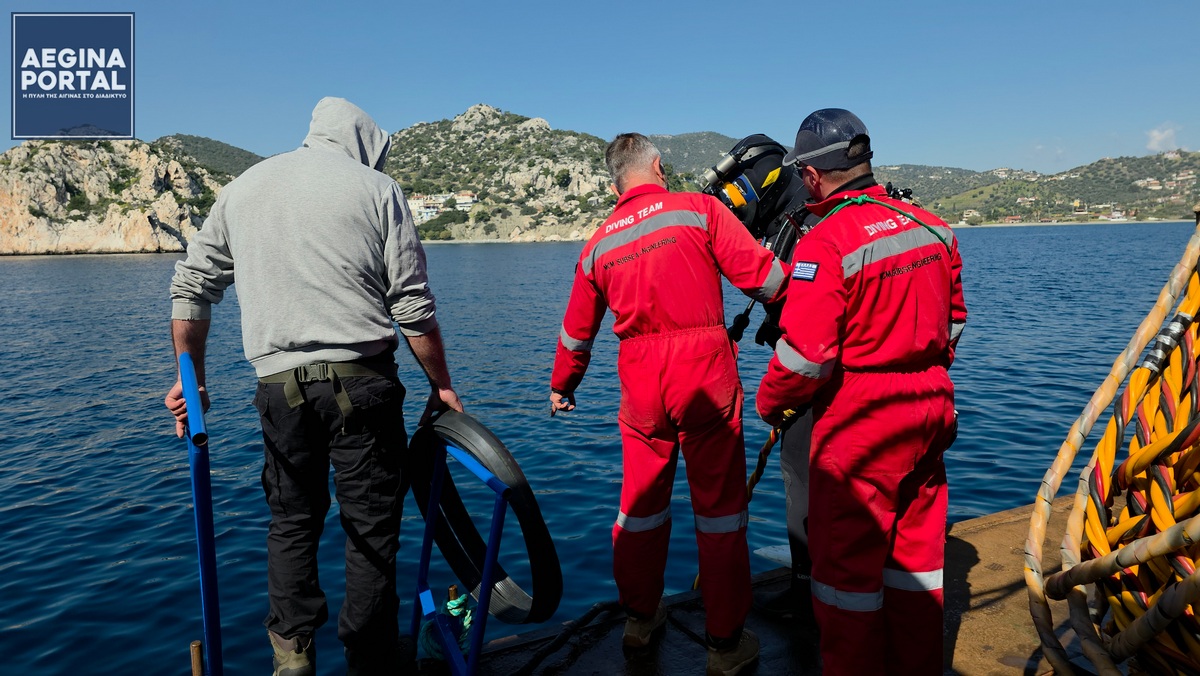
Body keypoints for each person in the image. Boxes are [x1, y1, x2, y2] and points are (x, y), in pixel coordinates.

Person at [164, 97, 462, 676]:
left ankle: (292, 658)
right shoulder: (377, 190)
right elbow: (411, 303)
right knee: (371, 525)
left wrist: (192, 381)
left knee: (292, 521)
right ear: (362, 144)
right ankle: (370, 657)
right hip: (364, 382)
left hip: (278, 390)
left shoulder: (243, 189)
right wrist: (442, 386)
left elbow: (191, 285)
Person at [549, 133, 790, 676]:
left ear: (615, 183)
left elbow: (575, 332)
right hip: (704, 372)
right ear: (658, 166)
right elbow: (767, 281)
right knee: (721, 514)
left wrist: (563, 386)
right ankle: (725, 645)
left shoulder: (598, 243)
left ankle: (639, 621)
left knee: (639, 509)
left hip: (640, 383)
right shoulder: (699, 210)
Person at [756, 109, 966, 675]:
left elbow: (806, 359)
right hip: (929, 411)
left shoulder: (823, 245)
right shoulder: (933, 226)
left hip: (860, 426)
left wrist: (770, 404)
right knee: (916, 568)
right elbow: (954, 325)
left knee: (845, 585)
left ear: (811, 177)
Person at [700, 135, 821, 621]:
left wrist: (774, 400)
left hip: (814, 381)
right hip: (843, 379)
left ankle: (807, 590)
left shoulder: (804, 228)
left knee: (801, 476)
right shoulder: (802, 221)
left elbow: (808, 328)